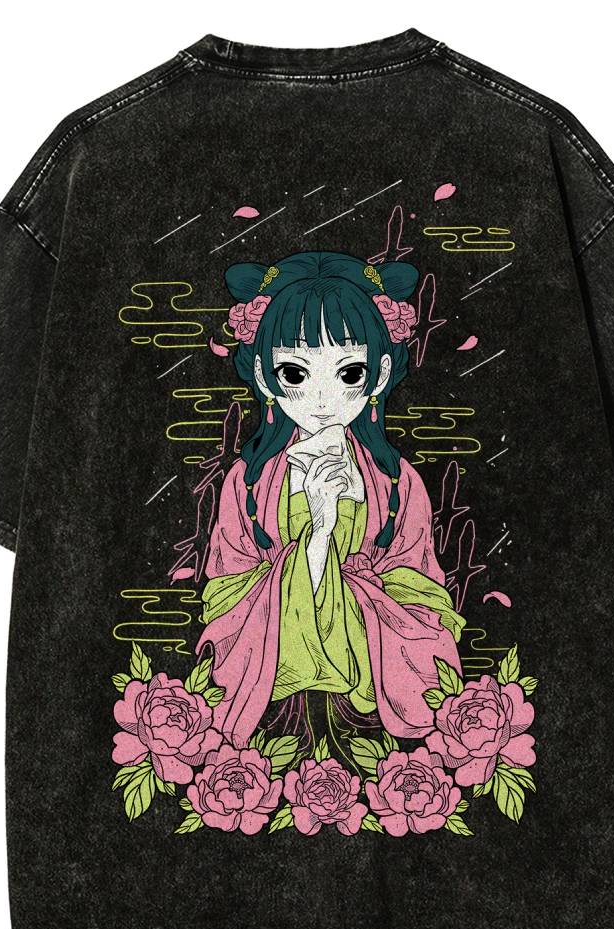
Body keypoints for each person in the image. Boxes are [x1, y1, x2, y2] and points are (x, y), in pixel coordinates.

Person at [196, 251, 467, 761]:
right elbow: (224, 594)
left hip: (374, 671)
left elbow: (422, 590)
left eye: (348, 373)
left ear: (380, 374)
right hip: (271, 673)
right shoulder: (247, 484)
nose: (322, 399)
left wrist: (358, 596)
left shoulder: (397, 483)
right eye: (295, 373)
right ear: (264, 375)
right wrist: (317, 537)